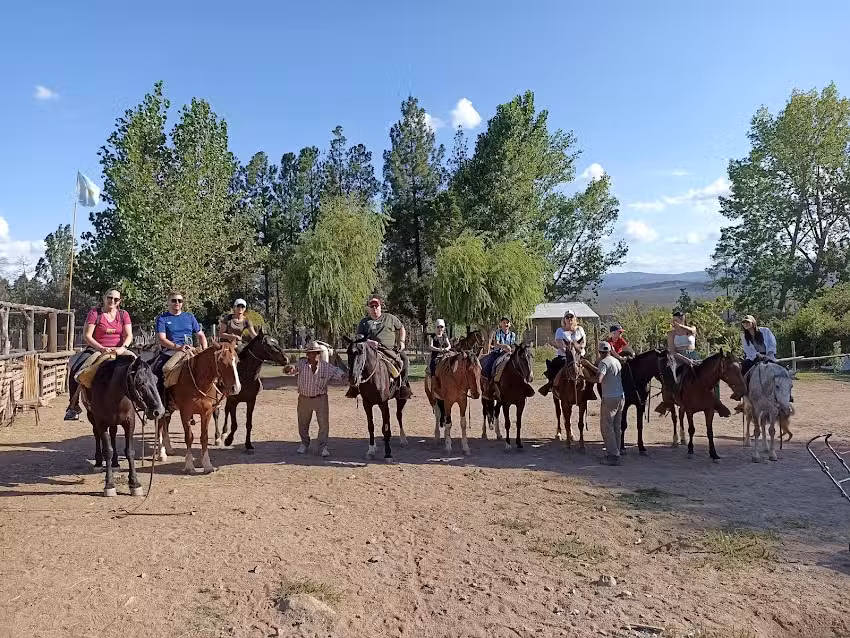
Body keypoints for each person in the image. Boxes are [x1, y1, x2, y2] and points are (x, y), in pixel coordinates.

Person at [64, 289, 133, 420]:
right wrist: (101, 348)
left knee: (140, 368)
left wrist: (122, 348)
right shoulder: (95, 313)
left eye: (116, 299)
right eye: (109, 298)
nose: (112, 301)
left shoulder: (123, 314)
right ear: (104, 297)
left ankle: (142, 401)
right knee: (76, 370)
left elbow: (128, 335)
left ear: (120, 301)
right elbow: (87, 335)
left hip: (119, 349)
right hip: (96, 349)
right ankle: (73, 406)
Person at [656, 310, 730, 417]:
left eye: (680, 319)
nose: (677, 321)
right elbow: (672, 351)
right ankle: (668, 401)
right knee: (670, 376)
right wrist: (685, 360)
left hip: (694, 355)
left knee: (713, 373)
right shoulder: (671, 334)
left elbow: (692, 331)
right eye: (676, 319)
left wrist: (681, 326)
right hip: (679, 357)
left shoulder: (691, 329)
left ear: (684, 319)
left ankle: (716, 402)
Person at [283, 341, 348, 457]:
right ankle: (304, 443)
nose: (314, 355)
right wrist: (289, 368)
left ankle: (323, 447)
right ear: (307, 354)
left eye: (317, 353)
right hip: (304, 398)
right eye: (311, 353)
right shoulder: (301, 364)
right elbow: (291, 370)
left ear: (319, 354)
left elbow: (340, 374)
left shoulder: (326, 367)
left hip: (320, 399)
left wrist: (346, 376)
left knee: (323, 424)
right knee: (302, 423)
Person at [347, 297, 411, 399]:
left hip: (389, 350)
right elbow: (359, 337)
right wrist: (368, 341)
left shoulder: (390, 318)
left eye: (376, 306)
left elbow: (401, 327)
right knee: (356, 360)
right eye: (371, 306)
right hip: (369, 351)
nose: (374, 309)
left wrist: (402, 342)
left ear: (381, 307)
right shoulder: (364, 322)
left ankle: (403, 386)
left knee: (404, 360)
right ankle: (354, 386)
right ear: (368, 309)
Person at [151, 292, 208, 381]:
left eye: (179, 301)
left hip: (190, 350)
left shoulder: (189, 317)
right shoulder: (162, 318)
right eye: (174, 300)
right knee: (163, 370)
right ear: (168, 302)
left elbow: (201, 335)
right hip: (171, 351)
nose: (177, 303)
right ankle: (163, 393)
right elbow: (161, 339)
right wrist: (178, 347)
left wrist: (205, 350)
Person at [539, 310, 586, 396]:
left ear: (575, 318)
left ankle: (589, 390)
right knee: (553, 367)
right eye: (567, 317)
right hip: (565, 356)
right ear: (564, 319)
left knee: (589, 369)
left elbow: (583, 343)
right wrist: (568, 352)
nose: (569, 319)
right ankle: (551, 385)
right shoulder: (560, 331)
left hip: (579, 356)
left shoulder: (580, 329)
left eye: (571, 317)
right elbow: (560, 343)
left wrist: (578, 351)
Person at [595, 341, 624, 466]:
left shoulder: (603, 362)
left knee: (607, 427)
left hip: (609, 397)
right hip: (620, 396)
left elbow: (599, 379)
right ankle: (616, 452)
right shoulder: (615, 361)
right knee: (617, 426)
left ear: (600, 352)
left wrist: (585, 378)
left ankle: (612, 456)